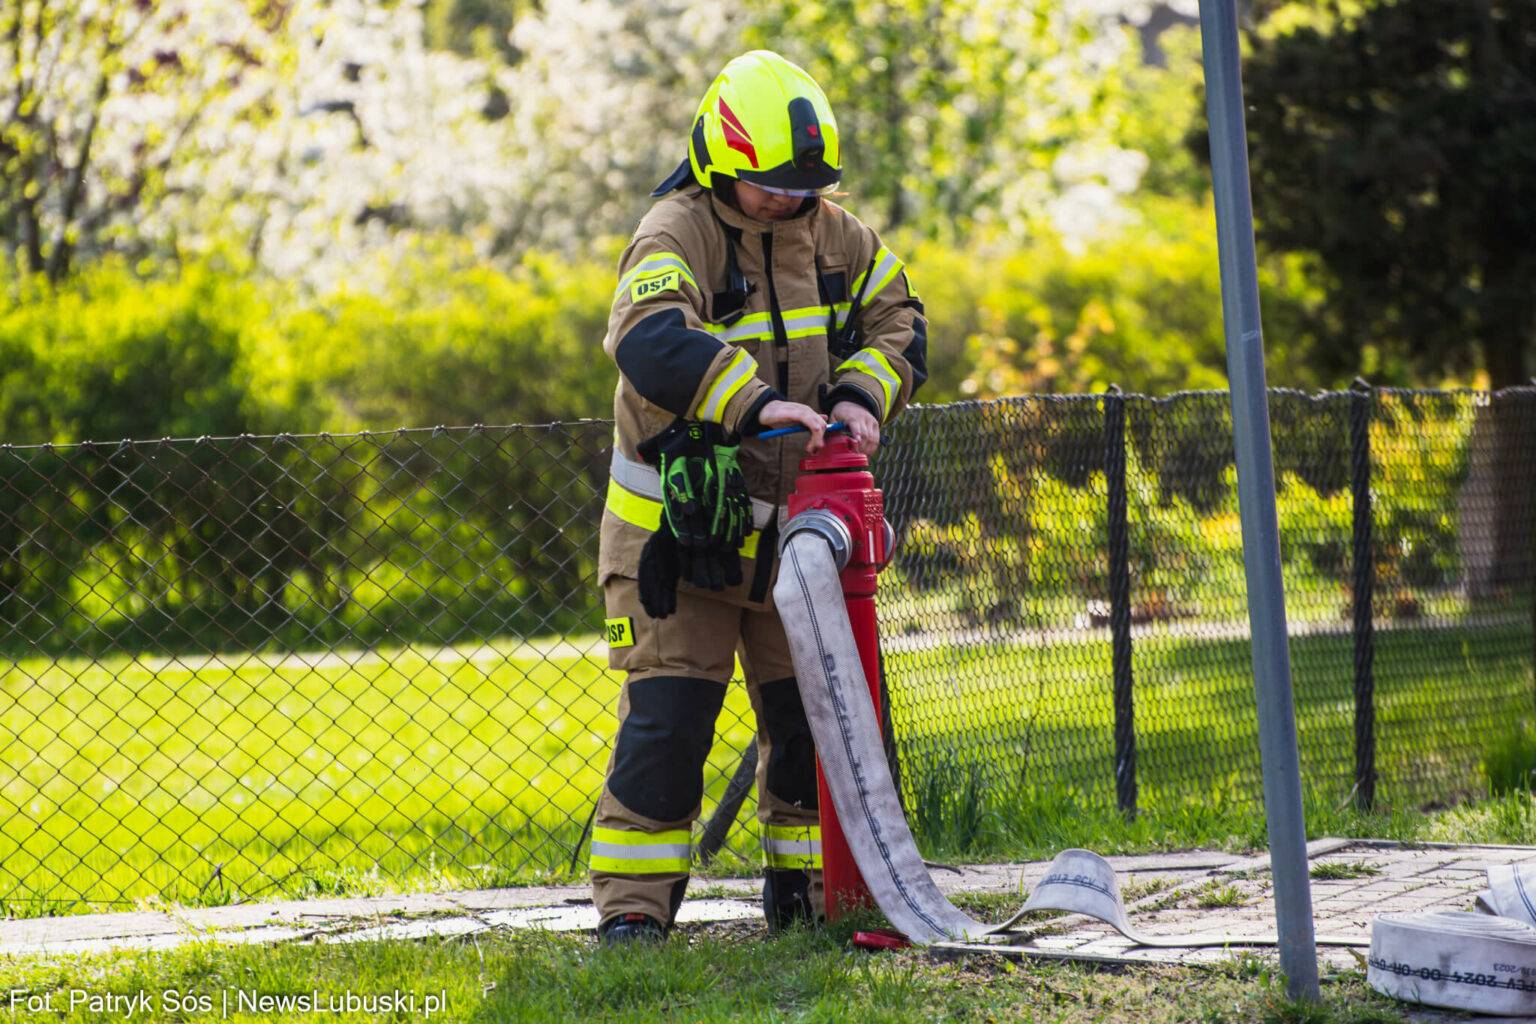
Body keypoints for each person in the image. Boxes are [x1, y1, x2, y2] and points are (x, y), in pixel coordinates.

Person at [590, 49, 928, 945]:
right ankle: (633, 912)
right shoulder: (674, 232)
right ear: (719, 161)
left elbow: (902, 320)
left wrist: (860, 396)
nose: (789, 200)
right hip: (679, 544)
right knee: (668, 728)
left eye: (804, 186)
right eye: (772, 184)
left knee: (813, 723)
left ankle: (811, 893)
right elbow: (648, 337)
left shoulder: (836, 235)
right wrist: (752, 404)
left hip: (797, 544)